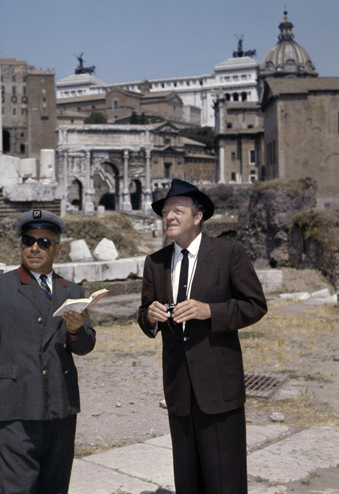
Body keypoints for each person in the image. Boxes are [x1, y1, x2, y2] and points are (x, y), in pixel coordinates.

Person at [138, 179, 267, 493]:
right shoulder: (155, 263)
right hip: (179, 388)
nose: (169, 217)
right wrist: (150, 317)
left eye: (177, 211)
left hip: (219, 387)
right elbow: (143, 313)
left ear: (198, 217)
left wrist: (210, 311)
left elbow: (255, 305)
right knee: (187, 479)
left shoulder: (229, 253)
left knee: (225, 479)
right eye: (165, 212)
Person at [0, 209, 96, 494]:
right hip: (12, 408)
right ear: (20, 245)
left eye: (44, 242)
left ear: (58, 248)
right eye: (28, 240)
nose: (35, 247)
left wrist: (75, 330)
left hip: (60, 406)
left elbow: (84, 347)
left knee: (54, 488)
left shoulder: (74, 292)